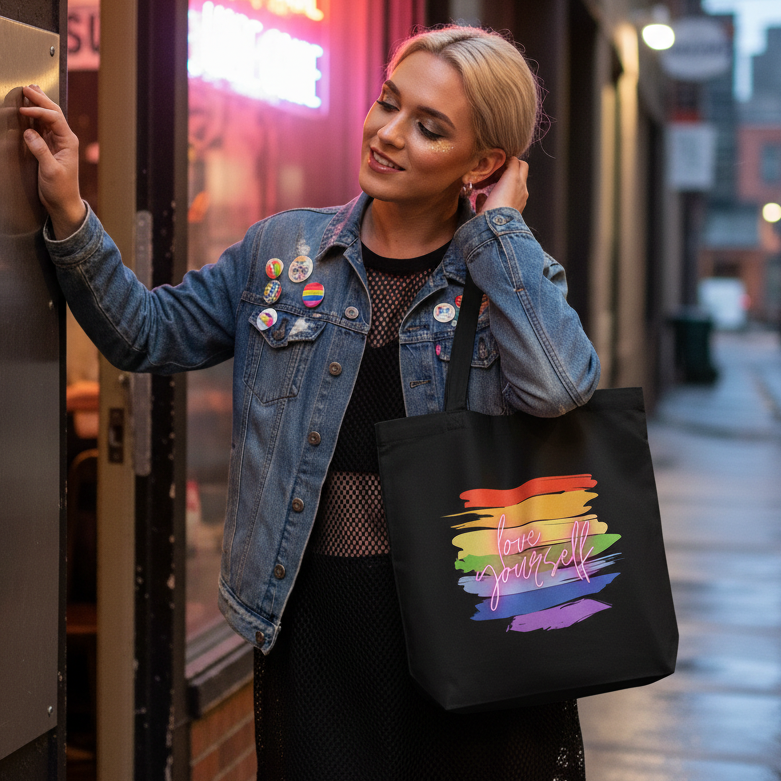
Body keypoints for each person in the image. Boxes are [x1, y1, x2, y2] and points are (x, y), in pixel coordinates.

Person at [22, 25, 599, 781]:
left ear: (484, 162)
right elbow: (146, 333)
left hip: (466, 630)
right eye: (388, 103)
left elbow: (559, 386)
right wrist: (69, 209)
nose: (389, 134)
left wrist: (497, 228)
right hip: (316, 625)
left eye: (429, 128)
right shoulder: (281, 254)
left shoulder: (505, 276)